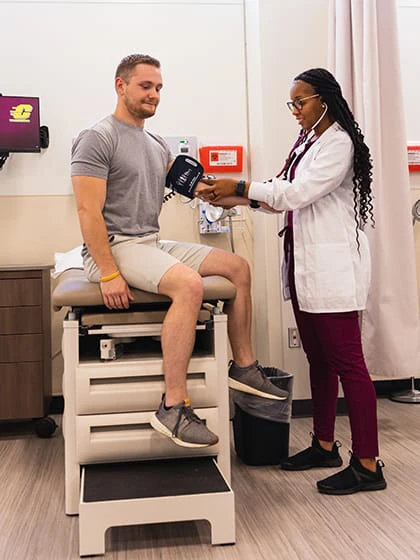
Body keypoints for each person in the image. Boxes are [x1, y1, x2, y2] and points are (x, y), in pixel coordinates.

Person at [71, 53, 288, 450]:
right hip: (116, 245)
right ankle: (173, 405)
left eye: (158, 88)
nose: (154, 95)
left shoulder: (155, 144)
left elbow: (198, 187)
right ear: (121, 86)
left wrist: (244, 194)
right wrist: (107, 272)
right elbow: (87, 211)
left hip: (149, 241)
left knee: (237, 267)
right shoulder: (97, 137)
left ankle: (243, 366)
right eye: (145, 86)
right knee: (189, 285)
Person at [196, 68, 387, 495]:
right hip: (304, 269)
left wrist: (242, 184)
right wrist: (232, 195)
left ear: (323, 99)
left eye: (300, 102)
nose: (295, 111)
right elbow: (282, 193)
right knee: (317, 360)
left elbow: (298, 194)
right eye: (292, 104)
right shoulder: (309, 142)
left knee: (349, 365)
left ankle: (369, 463)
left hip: (333, 270)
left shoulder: (338, 143)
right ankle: (323, 444)